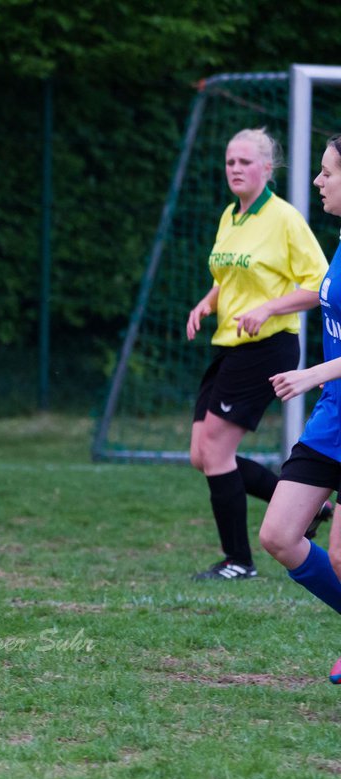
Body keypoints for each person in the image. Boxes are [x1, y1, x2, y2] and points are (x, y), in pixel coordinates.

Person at [186, 127, 329, 581]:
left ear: (268, 168)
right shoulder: (231, 216)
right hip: (230, 344)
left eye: (245, 162)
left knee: (215, 449)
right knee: (201, 453)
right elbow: (229, 274)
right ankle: (312, 504)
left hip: (268, 347)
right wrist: (209, 300)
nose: (236, 169)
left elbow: (318, 285)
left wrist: (269, 307)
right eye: (230, 161)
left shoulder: (285, 218)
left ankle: (238, 561)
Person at [260, 134, 341, 681]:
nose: (318, 181)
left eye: (327, 171)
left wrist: (312, 372)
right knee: (280, 535)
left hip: (329, 392)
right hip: (333, 416)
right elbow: (325, 293)